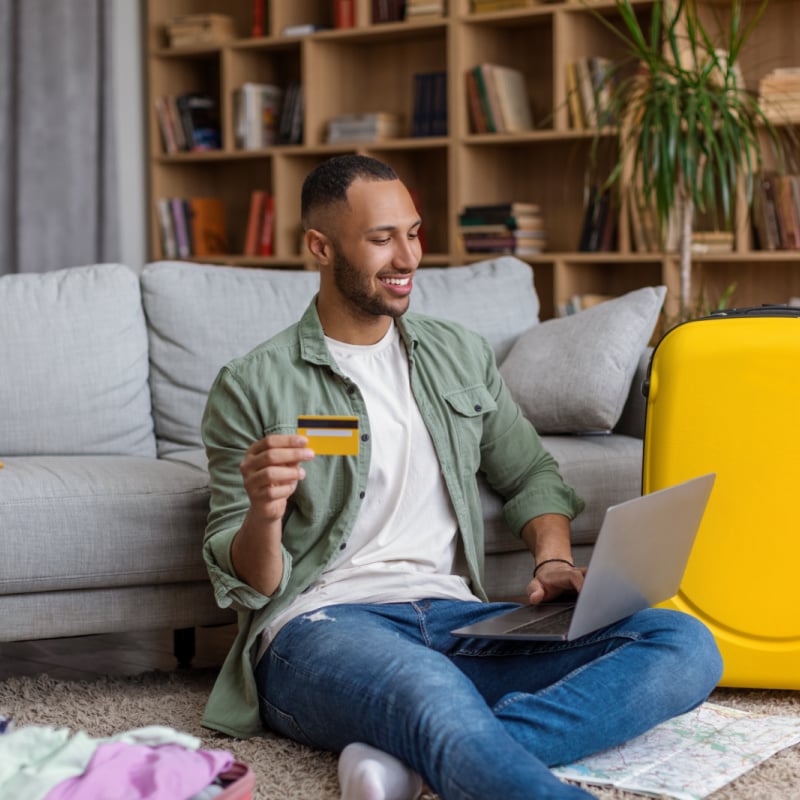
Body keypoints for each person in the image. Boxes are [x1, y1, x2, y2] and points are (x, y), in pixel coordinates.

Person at [200, 154, 723, 800]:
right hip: (320, 628)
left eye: (413, 233)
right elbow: (247, 583)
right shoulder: (251, 384)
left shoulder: (456, 354)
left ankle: (417, 760)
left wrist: (553, 560)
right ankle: (447, 742)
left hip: (456, 617)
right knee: (428, 687)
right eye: (381, 238)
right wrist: (263, 512)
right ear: (320, 247)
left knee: (684, 643)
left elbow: (530, 470)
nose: (408, 258)